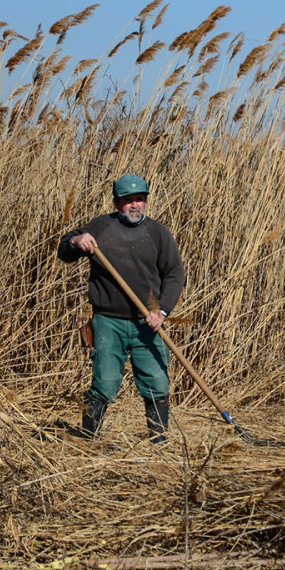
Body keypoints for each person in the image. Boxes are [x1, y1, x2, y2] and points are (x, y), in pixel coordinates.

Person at [57, 173, 186, 443]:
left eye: (140, 199)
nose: (135, 205)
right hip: (108, 321)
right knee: (104, 382)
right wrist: (76, 242)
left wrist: (161, 311)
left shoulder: (158, 233)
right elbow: (65, 250)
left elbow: (174, 274)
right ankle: (88, 439)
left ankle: (159, 441)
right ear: (117, 203)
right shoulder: (101, 226)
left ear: (146, 201)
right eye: (128, 200)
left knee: (157, 382)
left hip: (147, 323)